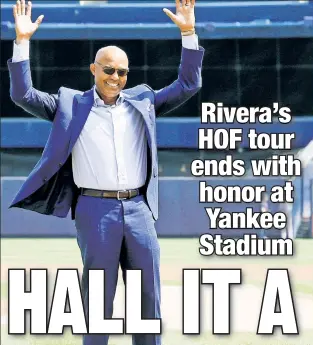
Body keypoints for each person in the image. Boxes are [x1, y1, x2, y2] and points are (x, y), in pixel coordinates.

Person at [7, 0, 204, 344]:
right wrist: (22, 42)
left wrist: (188, 33)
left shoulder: (143, 101)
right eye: (109, 70)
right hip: (95, 210)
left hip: (140, 209)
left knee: (148, 301)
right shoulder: (70, 104)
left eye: (122, 72)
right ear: (93, 69)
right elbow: (23, 94)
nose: (116, 77)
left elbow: (188, 85)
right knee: (98, 300)